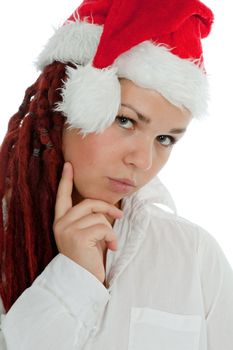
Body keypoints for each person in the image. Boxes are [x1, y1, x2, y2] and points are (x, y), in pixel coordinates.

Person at [0, 0, 233, 349]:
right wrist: (73, 282)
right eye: (125, 120)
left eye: (165, 139)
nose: (143, 160)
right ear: (62, 107)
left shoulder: (194, 255)